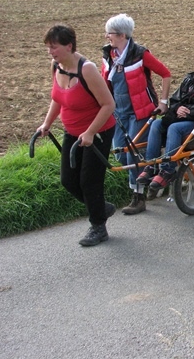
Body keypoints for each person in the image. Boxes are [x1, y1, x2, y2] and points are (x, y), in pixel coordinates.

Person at [38, 24, 116, 247]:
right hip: (73, 132)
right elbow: (58, 97)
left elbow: (108, 104)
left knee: (89, 181)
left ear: (69, 46)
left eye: (54, 47)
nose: (50, 52)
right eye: (49, 48)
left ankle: (98, 226)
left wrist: (91, 132)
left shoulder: (87, 69)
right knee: (69, 181)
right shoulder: (57, 66)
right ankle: (100, 208)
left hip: (97, 131)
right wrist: (47, 123)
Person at [102, 13, 171, 215]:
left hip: (139, 112)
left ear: (123, 35)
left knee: (133, 154)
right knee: (120, 153)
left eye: (110, 33)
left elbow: (165, 73)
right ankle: (153, 170)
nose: (107, 37)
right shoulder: (108, 56)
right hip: (117, 112)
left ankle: (138, 197)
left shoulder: (140, 54)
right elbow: (104, 82)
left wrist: (163, 102)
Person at [136, 51, 194, 194]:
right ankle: (151, 166)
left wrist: (189, 111)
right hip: (183, 120)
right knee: (156, 124)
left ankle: (167, 170)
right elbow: (176, 99)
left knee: (174, 128)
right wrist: (178, 108)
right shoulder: (189, 80)